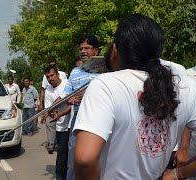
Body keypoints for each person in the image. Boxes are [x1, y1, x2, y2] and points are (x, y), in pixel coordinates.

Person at [73, 14, 196, 179]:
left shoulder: (104, 85)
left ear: (116, 50)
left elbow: (85, 159)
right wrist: (178, 173)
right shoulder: (187, 87)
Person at [53, 34, 100, 180]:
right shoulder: (75, 72)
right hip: (78, 124)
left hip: (99, 123)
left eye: (87, 48)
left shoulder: (106, 71)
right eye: (81, 48)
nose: (83, 51)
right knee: (73, 162)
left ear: (96, 51)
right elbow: (65, 96)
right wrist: (55, 106)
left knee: (97, 162)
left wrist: (87, 93)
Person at [44, 65, 70, 179]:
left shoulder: (67, 83)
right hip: (61, 127)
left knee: (75, 156)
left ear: (58, 74)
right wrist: (52, 113)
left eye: (52, 75)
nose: (50, 78)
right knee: (62, 156)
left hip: (73, 124)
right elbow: (49, 110)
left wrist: (57, 110)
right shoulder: (48, 91)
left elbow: (72, 104)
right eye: (47, 77)